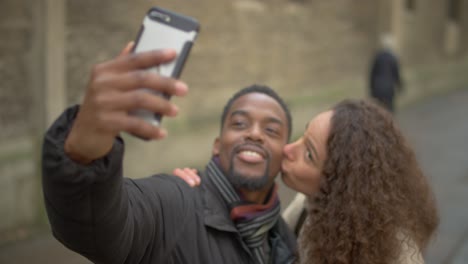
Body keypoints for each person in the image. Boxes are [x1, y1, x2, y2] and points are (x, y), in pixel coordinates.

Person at [41, 45, 297, 263]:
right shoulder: (174, 201)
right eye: (239, 124)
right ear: (217, 145)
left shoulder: (283, 237)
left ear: (285, 153)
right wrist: (82, 155)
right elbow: (99, 229)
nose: (254, 134)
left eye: (271, 130)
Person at [175, 99, 439, 263]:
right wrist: (198, 191)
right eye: (302, 135)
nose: (288, 149)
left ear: (337, 186)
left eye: (308, 153)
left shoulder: (394, 254)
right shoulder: (306, 205)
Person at [369, 33, 404, 113]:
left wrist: (371, 88)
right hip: (389, 87)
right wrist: (400, 86)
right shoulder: (393, 58)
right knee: (390, 109)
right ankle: (388, 123)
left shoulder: (377, 57)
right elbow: (396, 74)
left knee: (378, 109)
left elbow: (372, 73)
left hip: (377, 87)